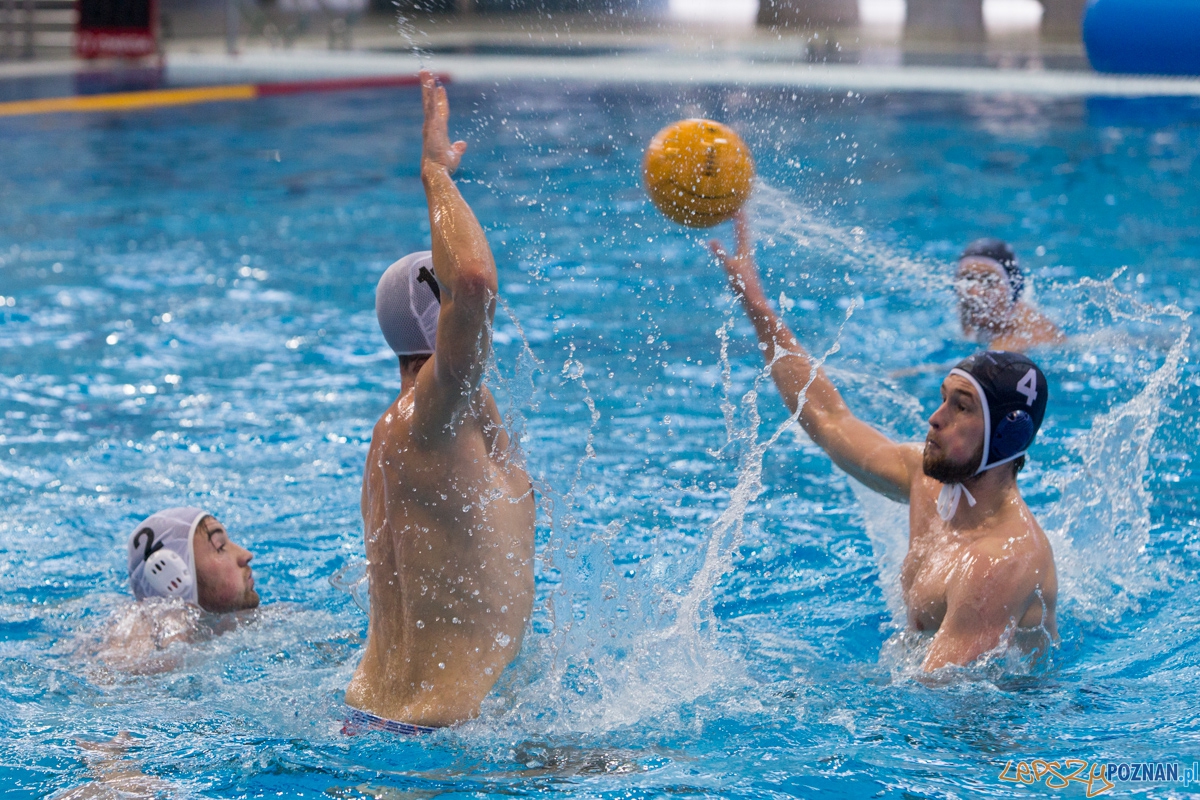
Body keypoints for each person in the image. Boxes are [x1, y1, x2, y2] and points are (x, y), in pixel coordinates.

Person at [711, 214, 1058, 671]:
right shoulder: (926, 478)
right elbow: (830, 420)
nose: (934, 419)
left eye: (962, 408)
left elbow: (942, 700)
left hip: (999, 727)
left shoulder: (999, 563)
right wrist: (756, 304)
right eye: (942, 401)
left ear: (1006, 435)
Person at [343, 70, 535, 731]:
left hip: (375, 724)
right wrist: (436, 177)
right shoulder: (433, 417)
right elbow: (475, 283)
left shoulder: (396, 433)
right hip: (444, 747)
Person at [102, 507, 259, 672]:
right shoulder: (144, 639)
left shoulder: (237, 622)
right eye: (220, 547)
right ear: (173, 575)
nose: (246, 554)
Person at [956, 238, 1063, 352]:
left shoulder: (1016, 338)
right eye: (967, 279)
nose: (975, 292)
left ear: (1012, 289)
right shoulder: (971, 316)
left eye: (989, 281)